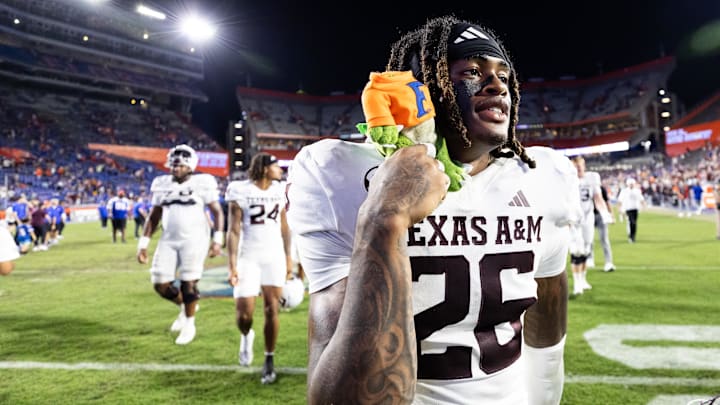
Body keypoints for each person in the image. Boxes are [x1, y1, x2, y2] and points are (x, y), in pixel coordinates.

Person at [287, 15, 579, 404]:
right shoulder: (340, 174)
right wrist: (385, 216)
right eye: (473, 72)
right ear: (421, 89)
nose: (497, 86)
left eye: (504, 76)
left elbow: (548, 306)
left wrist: (545, 397)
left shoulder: (543, 174)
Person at [137, 144, 224, 345]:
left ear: (190, 166)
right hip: (168, 238)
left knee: (189, 283)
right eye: (174, 165)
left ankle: (189, 324)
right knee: (160, 284)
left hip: (195, 238)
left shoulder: (203, 182)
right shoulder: (162, 183)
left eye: (181, 165)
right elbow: (154, 216)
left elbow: (217, 211)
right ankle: (185, 307)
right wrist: (143, 244)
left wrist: (217, 240)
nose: (176, 169)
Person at [226, 152, 293, 385]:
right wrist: (232, 265)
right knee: (244, 314)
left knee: (271, 309)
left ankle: (269, 359)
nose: (280, 170)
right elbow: (233, 230)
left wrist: (288, 257)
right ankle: (246, 335)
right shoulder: (239, 189)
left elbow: (285, 227)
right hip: (248, 257)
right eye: (276, 166)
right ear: (265, 168)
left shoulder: (280, 190)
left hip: (273, 256)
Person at [569, 156, 613, 295]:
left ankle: (582, 279)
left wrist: (605, 214)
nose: (578, 168)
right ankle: (577, 284)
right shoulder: (568, 180)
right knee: (576, 251)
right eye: (575, 166)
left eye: (580, 165)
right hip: (574, 219)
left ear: (584, 165)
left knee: (586, 249)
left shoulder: (592, 177)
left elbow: (598, 198)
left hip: (588, 217)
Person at [590, 181, 615, 272]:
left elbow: (607, 202)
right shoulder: (585, 187)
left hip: (601, 216)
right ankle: (590, 259)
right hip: (589, 216)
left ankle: (609, 262)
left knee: (604, 239)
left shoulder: (601, 189)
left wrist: (611, 215)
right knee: (589, 239)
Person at [617, 177, 646, 243]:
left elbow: (641, 199)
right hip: (628, 209)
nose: (631, 185)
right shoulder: (624, 191)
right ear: (628, 184)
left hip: (635, 209)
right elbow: (620, 200)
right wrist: (619, 208)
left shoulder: (637, 191)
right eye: (630, 184)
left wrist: (644, 205)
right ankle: (630, 236)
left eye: (632, 184)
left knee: (634, 223)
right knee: (631, 222)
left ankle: (633, 236)